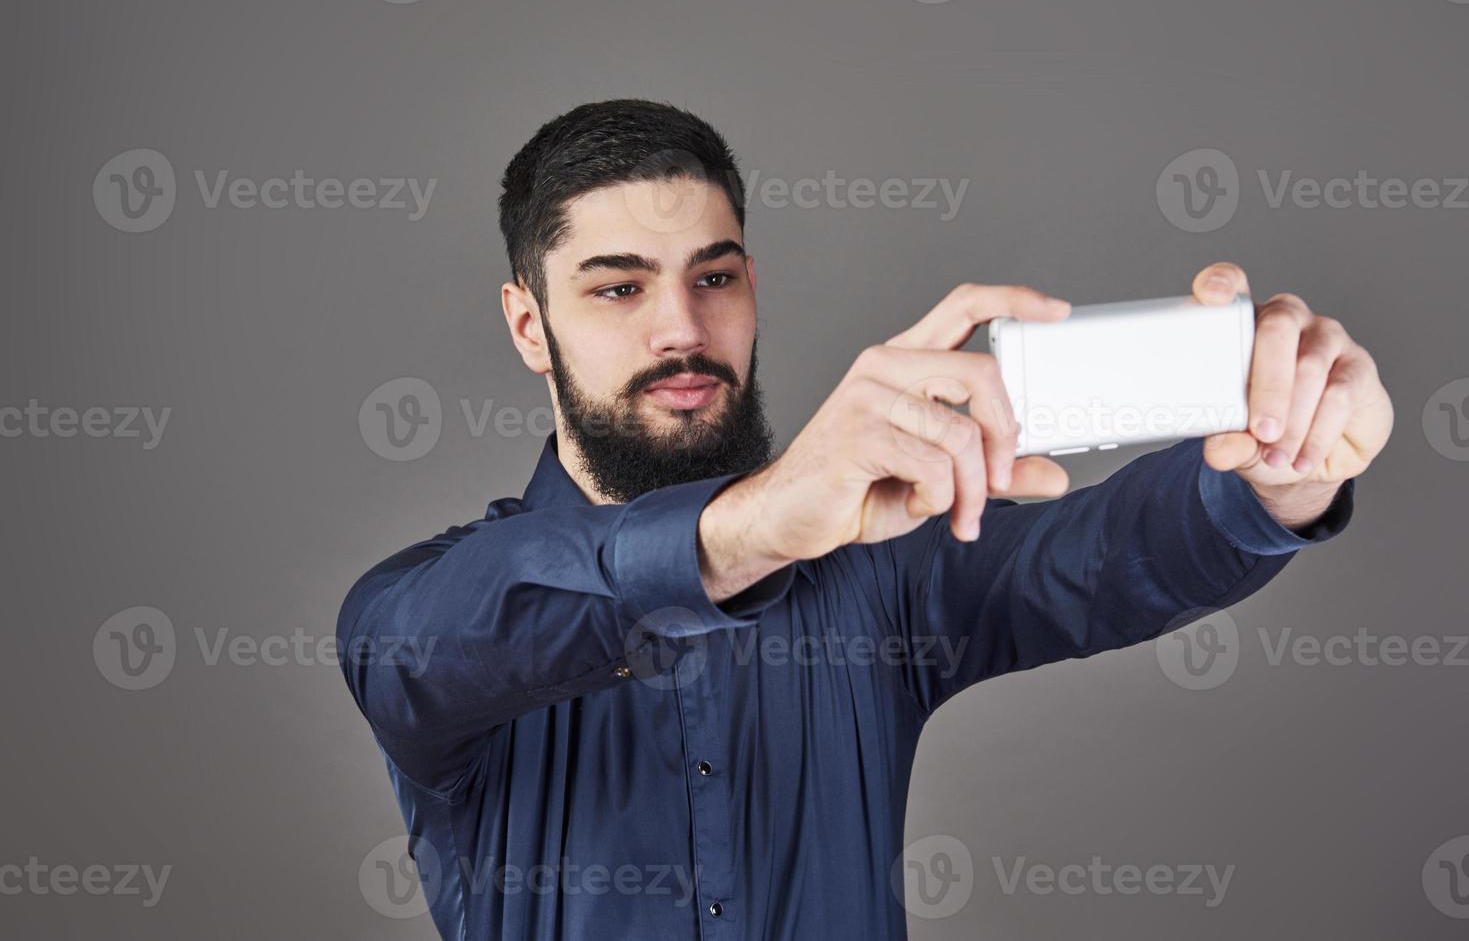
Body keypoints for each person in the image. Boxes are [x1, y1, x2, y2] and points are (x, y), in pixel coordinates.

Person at [336, 99, 1393, 940]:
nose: (682, 328)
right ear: (530, 324)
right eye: (616, 289)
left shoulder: (876, 569)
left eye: (713, 277)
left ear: (752, 286)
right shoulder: (420, 615)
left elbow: (1109, 554)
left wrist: (1281, 461)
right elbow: (436, 642)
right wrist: (751, 528)